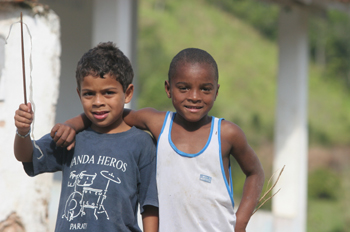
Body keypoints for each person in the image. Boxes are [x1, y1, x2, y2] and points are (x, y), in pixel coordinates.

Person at [53, 48, 265, 232]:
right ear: (168, 89)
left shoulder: (227, 133)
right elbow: (108, 112)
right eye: (183, 88)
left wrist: (240, 223)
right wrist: (72, 125)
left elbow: (255, 173)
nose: (194, 96)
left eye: (205, 89)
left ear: (216, 91)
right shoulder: (157, 123)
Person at [13, 42, 159, 232]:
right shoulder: (70, 136)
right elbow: (26, 156)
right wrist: (22, 131)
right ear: (79, 93)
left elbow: (150, 205)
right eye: (89, 94)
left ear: (128, 93)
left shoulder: (142, 143)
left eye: (108, 93)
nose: (98, 102)